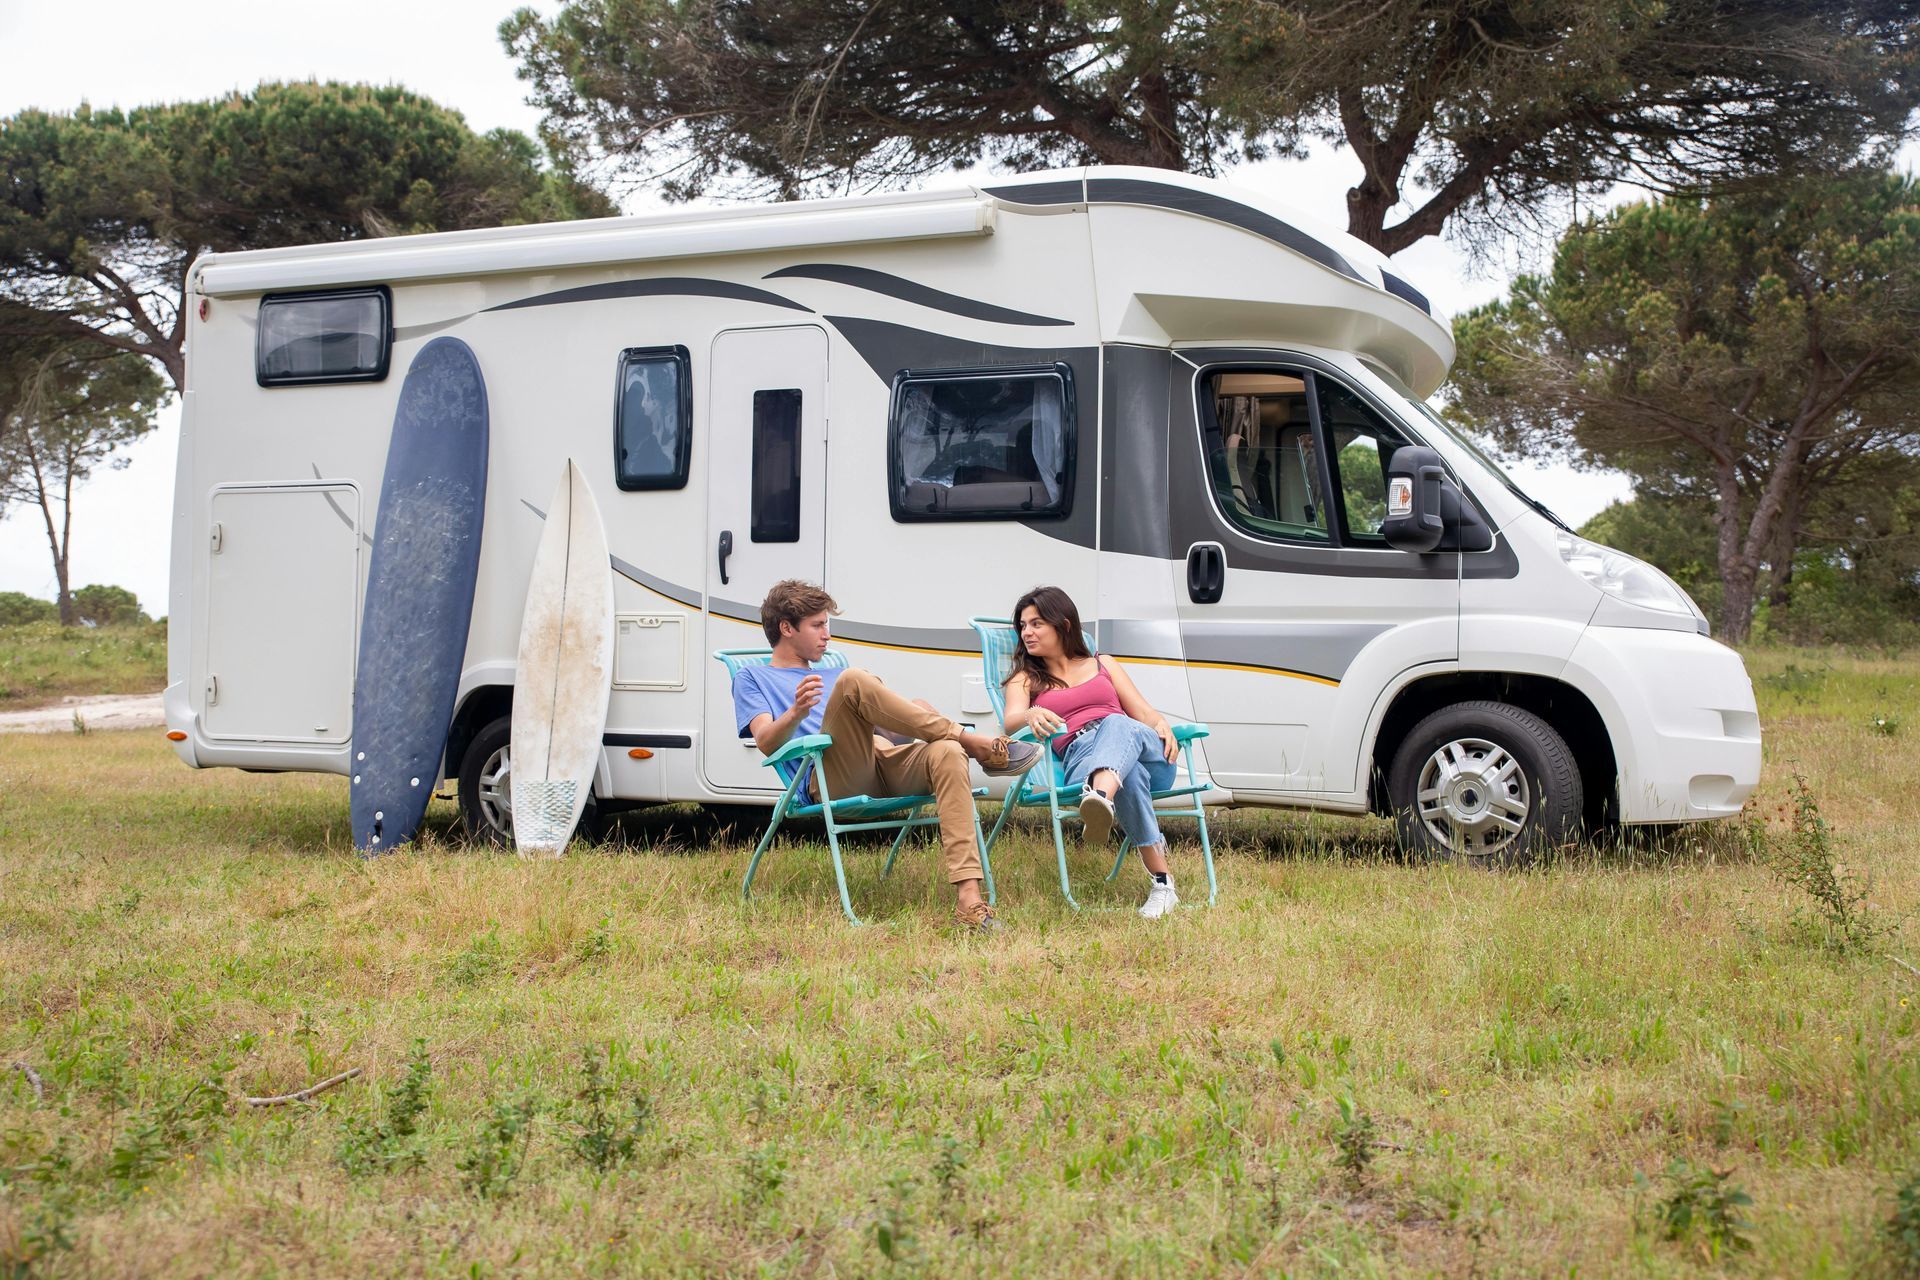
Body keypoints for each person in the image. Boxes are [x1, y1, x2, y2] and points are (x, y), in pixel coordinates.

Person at [732, 580, 1042, 932]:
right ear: (786, 628)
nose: (827, 636)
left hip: (881, 759)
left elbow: (892, 732)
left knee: (947, 751)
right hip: (830, 773)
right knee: (855, 679)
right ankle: (976, 743)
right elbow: (766, 742)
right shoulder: (753, 677)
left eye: (826, 625)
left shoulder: (834, 673)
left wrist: (918, 715)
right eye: (817, 625)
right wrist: (796, 713)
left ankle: (970, 901)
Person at [1000, 586, 1183, 919]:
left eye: (1037, 623)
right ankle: (1163, 884)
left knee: (1117, 723)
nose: (1027, 632)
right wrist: (1029, 714)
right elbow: (1010, 722)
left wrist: (1162, 724)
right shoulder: (1026, 679)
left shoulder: (1103, 664)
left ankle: (1100, 797)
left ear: (1064, 624)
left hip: (1143, 749)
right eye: (1023, 626)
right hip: (1082, 755)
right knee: (1130, 775)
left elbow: (1143, 713)